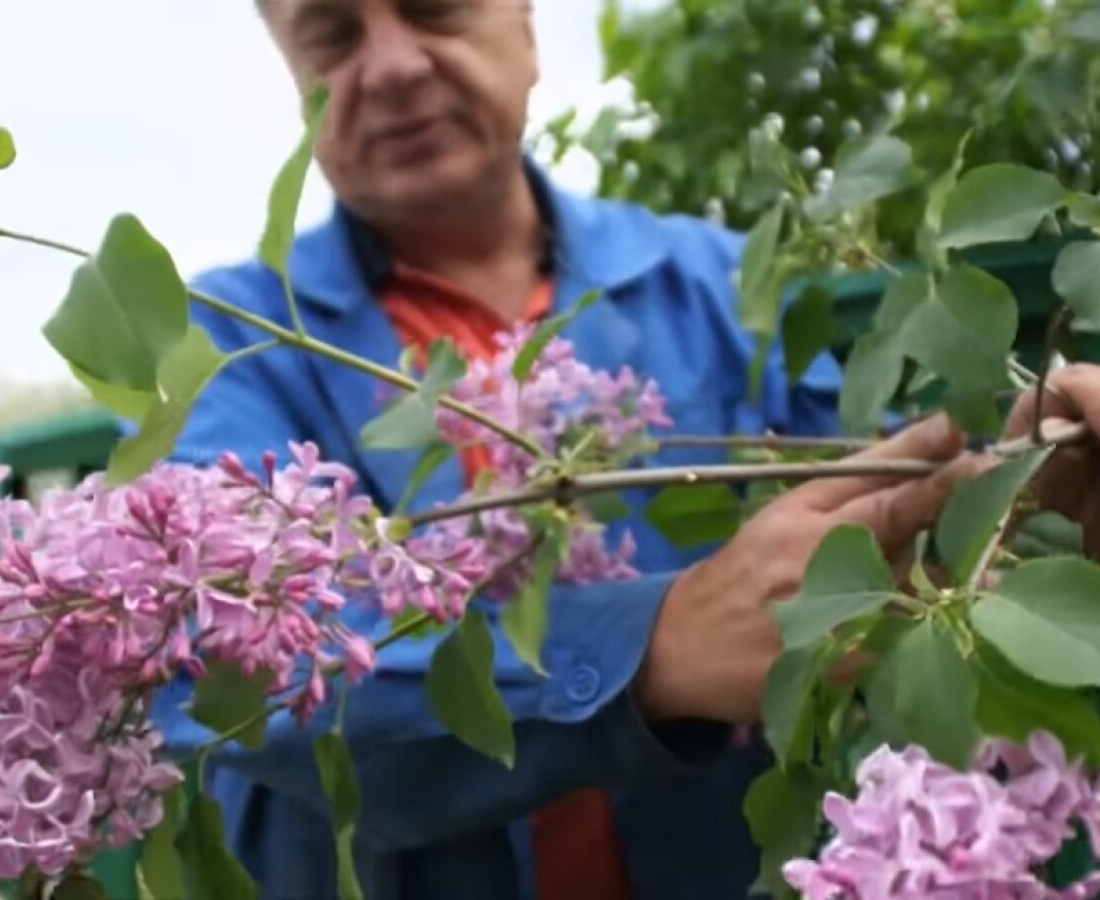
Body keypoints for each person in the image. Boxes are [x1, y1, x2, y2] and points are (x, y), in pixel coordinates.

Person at [150, 0, 1100, 897]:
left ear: (525, 30)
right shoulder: (227, 347)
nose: (392, 66)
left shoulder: (724, 287)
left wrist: (1019, 481)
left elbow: (896, 520)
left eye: (434, 9)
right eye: (333, 36)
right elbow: (229, 667)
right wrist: (651, 648)